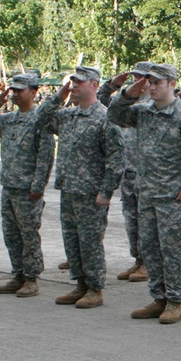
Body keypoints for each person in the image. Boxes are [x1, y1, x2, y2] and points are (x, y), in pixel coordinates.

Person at [107, 63, 181, 325]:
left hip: (173, 198)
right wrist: (133, 89)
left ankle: (175, 301)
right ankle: (158, 298)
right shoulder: (144, 112)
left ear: (171, 84)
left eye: (157, 82)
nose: (151, 87)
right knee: (151, 249)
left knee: (171, 250)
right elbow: (115, 114)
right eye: (149, 82)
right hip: (147, 193)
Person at [37, 66, 126, 309]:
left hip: (91, 193)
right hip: (69, 188)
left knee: (90, 242)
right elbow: (41, 119)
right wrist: (59, 95)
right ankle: (80, 284)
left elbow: (116, 160)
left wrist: (107, 191)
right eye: (72, 82)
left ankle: (95, 288)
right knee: (72, 241)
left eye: (79, 82)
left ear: (95, 85)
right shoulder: (68, 116)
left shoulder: (105, 118)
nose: (74, 86)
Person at [0, 73, 55, 298]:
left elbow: (45, 157)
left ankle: (32, 278)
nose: (14, 94)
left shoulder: (40, 121)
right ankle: (19, 274)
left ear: (33, 93)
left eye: (19, 90)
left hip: (28, 189)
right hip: (9, 185)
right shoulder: (8, 120)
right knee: (11, 234)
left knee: (29, 234)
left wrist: (38, 186)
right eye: (12, 90)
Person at [97, 61, 155, 282]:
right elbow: (103, 105)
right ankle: (139, 260)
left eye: (142, 78)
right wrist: (111, 85)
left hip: (147, 174)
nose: (136, 82)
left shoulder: (153, 106)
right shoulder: (126, 105)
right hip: (127, 172)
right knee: (132, 222)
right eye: (134, 77)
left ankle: (149, 263)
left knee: (147, 222)